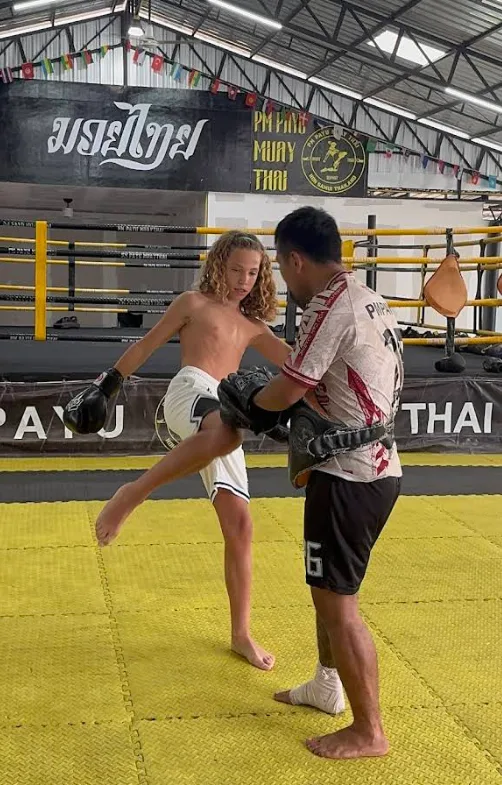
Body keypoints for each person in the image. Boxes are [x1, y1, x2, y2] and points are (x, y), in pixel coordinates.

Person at [63, 230, 291, 671]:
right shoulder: (193, 304)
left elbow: (301, 367)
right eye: (236, 270)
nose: (244, 280)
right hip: (189, 393)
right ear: (218, 266)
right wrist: (105, 386)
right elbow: (146, 345)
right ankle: (132, 493)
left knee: (241, 526)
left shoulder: (254, 327)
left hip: (225, 410)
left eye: (253, 272)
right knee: (227, 430)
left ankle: (241, 633)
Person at [234, 205, 404, 760]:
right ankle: (327, 687)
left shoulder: (333, 305)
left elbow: (289, 388)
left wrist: (247, 407)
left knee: (338, 604)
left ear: (295, 259)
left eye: (281, 269)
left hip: (350, 475)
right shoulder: (367, 295)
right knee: (324, 589)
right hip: (370, 465)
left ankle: (369, 730)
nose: (284, 281)